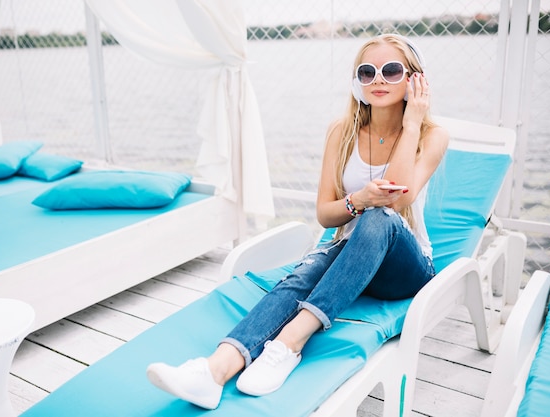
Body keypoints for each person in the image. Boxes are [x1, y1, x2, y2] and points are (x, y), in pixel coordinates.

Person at [146, 33, 449, 410]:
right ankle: (215, 370)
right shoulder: (341, 132)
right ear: (357, 82)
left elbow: (400, 197)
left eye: (391, 71)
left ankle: (290, 343)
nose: (378, 81)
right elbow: (325, 213)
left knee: (380, 218)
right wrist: (357, 199)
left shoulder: (431, 135)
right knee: (304, 274)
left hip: (405, 269)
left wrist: (412, 122)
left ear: (413, 80)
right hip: (352, 252)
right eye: (367, 72)